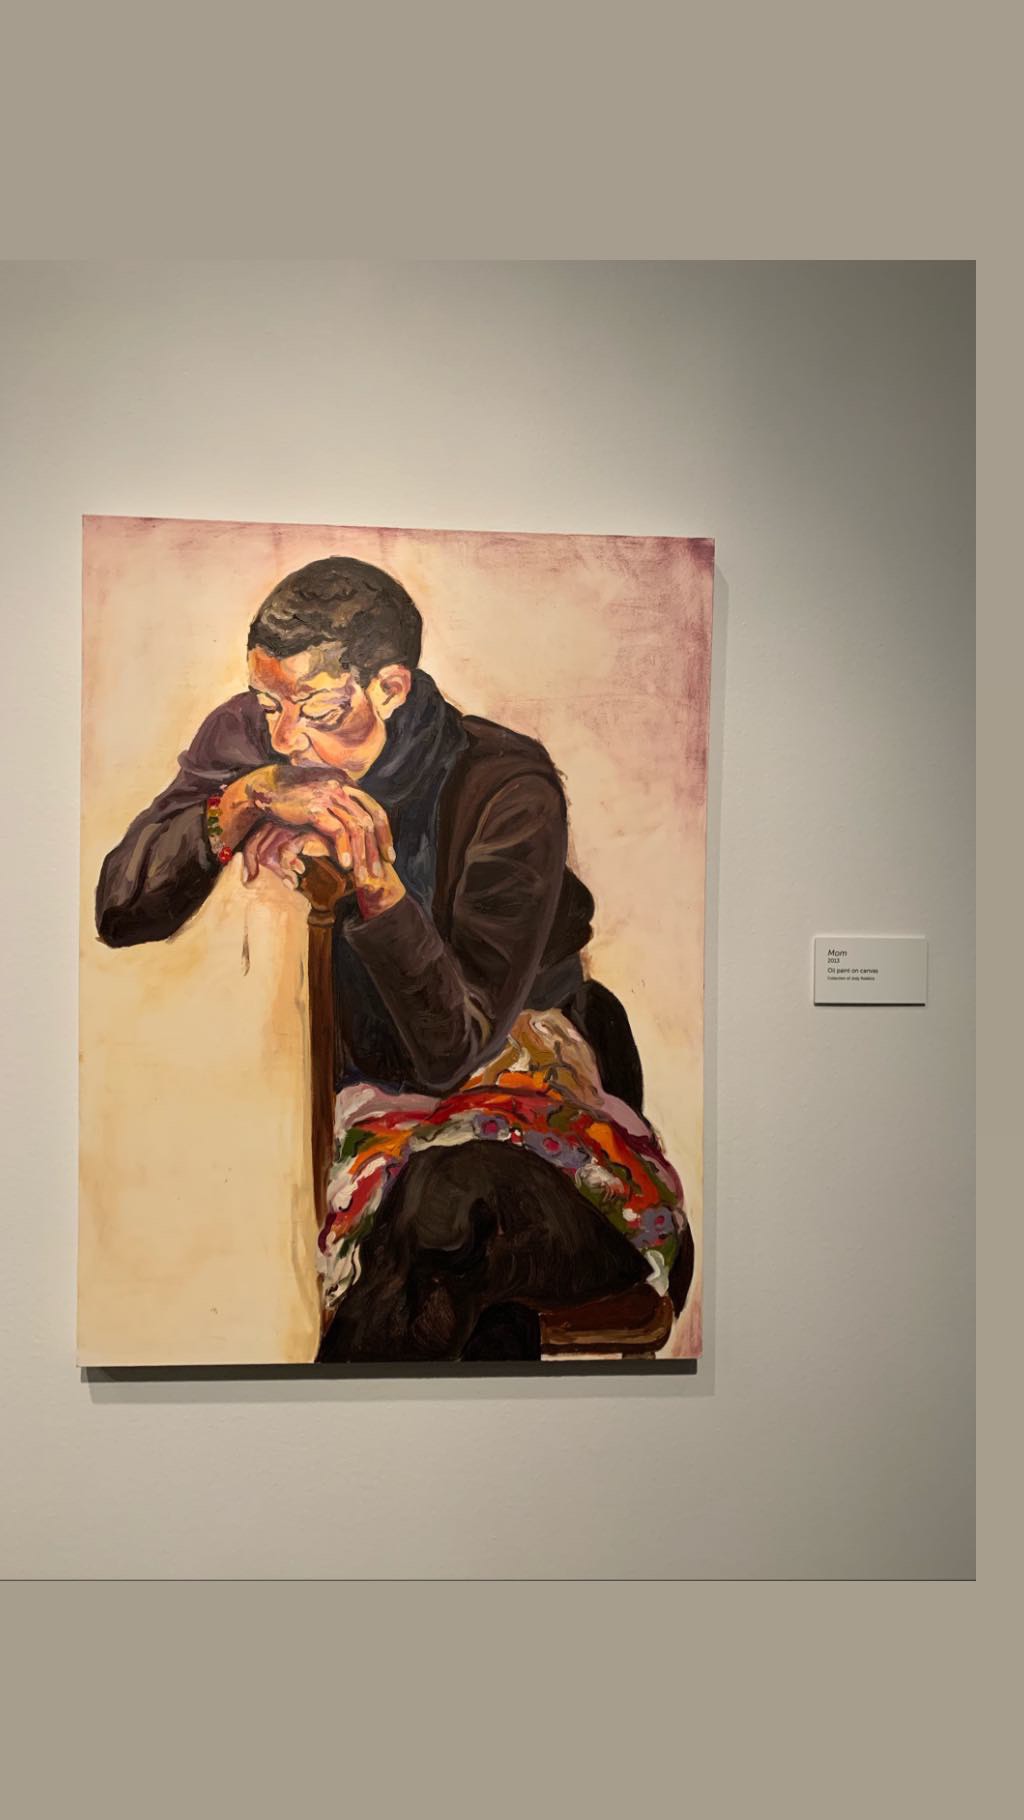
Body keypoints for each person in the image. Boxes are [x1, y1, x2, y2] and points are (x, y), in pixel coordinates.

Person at [96, 556, 693, 1360]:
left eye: (315, 706)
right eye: (268, 704)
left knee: (445, 1209)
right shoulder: (255, 738)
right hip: (377, 1120)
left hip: (543, 1115)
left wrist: (377, 886)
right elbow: (120, 909)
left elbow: (452, 1053)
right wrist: (242, 799)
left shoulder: (504, 786)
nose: (285, 735)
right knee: (451, 1284)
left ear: (389, 687)